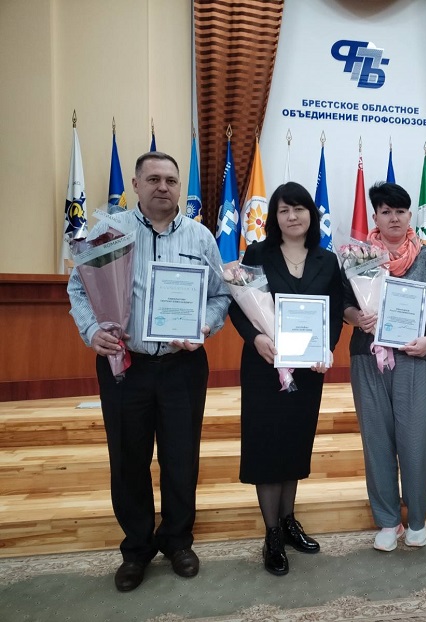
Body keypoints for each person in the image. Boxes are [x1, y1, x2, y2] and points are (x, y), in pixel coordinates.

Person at [67, 151, 231, 592]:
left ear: (180, 188)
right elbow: (78, 288)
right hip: (126, 365)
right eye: (154, 179)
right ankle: (136, 549)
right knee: (128, 459)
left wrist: (204, 325)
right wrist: (91, 331)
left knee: (181, 457)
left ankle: (177, 541)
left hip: (182, 367)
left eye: (171, 180)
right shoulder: (108, 232)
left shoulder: (201, 237)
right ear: (136, 185)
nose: (163, 187)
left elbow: (220, 296)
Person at [229, 182, 344, 576]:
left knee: (295, 443)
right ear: (274, 217)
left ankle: (289, 520)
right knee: (266, 446)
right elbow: (238, 306)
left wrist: (327, 349)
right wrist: (256, 338)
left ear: (311, 214)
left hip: (308, 370)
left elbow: (333, 312)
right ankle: (272, 533)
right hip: (264, 366)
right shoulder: (258, 254)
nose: (292, 216)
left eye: (299, 208)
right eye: (283, 210)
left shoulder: (327, 260)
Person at [344, 182, 426, 552]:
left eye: (400, 211)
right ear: (375, 216)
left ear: (410, 215)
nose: (394, 218)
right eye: (386, 211)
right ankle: (389, 521)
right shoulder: (358, 257)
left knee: (416, 442)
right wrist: (356, 317)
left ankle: (417, 519)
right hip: (367, 357)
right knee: (376, 441)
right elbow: (344, 305)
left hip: (416, 359)